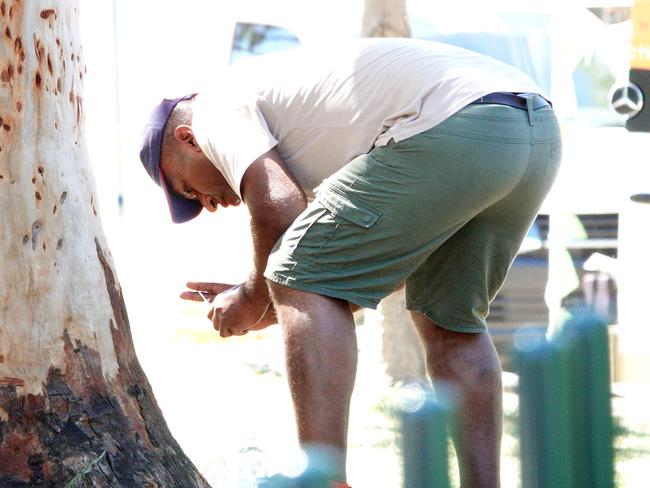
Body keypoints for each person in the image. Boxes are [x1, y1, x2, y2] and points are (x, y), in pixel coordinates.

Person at [139, 38, 561, 488]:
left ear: (188, 140)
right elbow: (363, 273)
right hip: (531, 130)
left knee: (297, 271)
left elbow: (279, 208)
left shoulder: (212, 111)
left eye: (188, 189)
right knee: (449, 322)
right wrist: (275, 300)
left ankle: (325, 481)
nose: (207, 204)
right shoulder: (308, 134)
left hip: (454, 120)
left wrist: (254, 297)